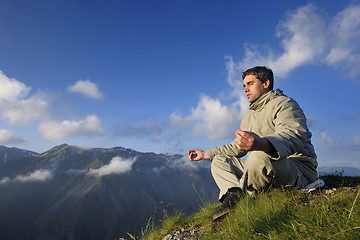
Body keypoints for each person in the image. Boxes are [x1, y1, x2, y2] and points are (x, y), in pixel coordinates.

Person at [188, 66, 318, 221]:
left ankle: (242, 201)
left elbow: (294, 134)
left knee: (258, 156)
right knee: (219, 160)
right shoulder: (249, 117)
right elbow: (237, 147)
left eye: (250, 84)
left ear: (266, 83)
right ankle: (234, 195)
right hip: (266, 166)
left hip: (297, 168)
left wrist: (262, 144)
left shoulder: (285, 104)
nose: (245, 90)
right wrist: (206, 154)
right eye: (244, 86)